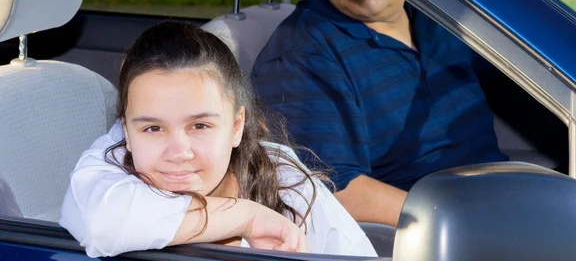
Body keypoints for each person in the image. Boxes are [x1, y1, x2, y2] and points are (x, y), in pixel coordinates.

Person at [60, 21, 376, 258]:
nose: (178, 152)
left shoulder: (284, 178)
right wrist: (248, 217)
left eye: (199, 126)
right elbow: (98, 222)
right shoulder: (109, 173)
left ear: (237, 126)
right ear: (125, 133)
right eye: (153, 129)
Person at [251, 0, 508, 227]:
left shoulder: (436, 17)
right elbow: (332, 191)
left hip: (501, 197)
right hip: (441, 233)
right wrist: (460, 223)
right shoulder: (303, 53)